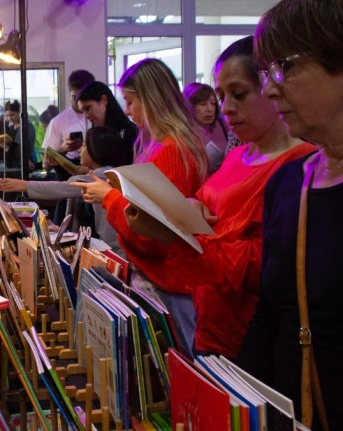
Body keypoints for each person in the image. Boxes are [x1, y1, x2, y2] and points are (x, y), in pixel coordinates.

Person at [130, 37, 314, 360]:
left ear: (272, 90)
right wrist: (191, 207)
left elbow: (266, 264)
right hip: (210, 322)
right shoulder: (238, 155)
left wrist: (181, 236)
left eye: (239, 95)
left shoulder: (298, 164)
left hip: (248, 335)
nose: (225, 109)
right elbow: (204, 204)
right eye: (221, 96)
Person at [238, 0, 343, 429]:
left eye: (285, 66)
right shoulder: (288, 181)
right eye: (266, 72)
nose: (271, 88)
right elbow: (273, 310)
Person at [70, 58, 209, 359]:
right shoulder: (158, 145)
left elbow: (154, 233)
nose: (128, 111)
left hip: (166, 283)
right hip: (156, 279)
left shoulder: (172, 151)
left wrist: (109, 197)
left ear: (151, 99)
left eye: (131, 102)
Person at [0, 126, 127, 256]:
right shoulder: (106, 173)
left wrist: (24, 185)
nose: (80, 149)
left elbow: (62, 188)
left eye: (85, 145)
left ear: (98, 150)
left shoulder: (101, 176)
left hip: (116, 249)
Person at [42, 70, 94, 178]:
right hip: (68, 183)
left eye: (81, 97)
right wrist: (63, 149)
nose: (77, 102)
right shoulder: (57, 122)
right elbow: (45, 165)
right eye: (74, 97)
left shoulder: (99, 118)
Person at [76, 81, 138, 167]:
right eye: (83, 111)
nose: (86, 116)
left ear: (104, 100)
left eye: (88, 108)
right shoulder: (96, 136)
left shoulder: (130, 134)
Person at [183, 82, 229, 174]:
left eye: (213, 103)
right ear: (189, 106)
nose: (210, 109)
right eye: (203, 104)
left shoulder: (223, 125)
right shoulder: (183, 133)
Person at [0, 99, 36, 170]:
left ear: (19, 112)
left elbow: (20, 152)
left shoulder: (26, 127)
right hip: (10, 165)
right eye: (7, 115)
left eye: (12, 115)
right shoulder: (11, 126)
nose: (9, 118)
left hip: (20, 167)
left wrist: (6, 147)